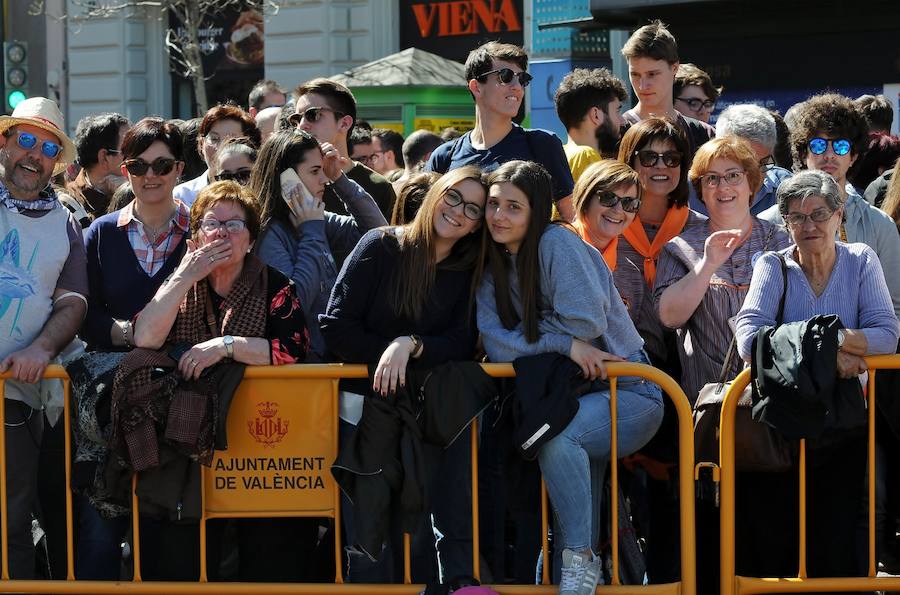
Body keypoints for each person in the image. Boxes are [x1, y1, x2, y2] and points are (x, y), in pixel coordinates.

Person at [476, 160, 663, 595]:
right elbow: (496, 342)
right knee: (567, 524)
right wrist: (564, 346)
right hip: (572, 395)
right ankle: (577, 565)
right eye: (493, 204)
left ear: (537, 211)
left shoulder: (556, 242)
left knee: (558, 438)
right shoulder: (493, 262)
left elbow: (583, 320)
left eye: (513, 207)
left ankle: (582, 559)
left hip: (629, 388)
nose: (499, 216)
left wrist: (563, 341)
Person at [130, 180, 309, 581]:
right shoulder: (182, 280)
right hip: (187, 444)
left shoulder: (276, 285)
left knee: (265, 557)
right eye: (211, 223)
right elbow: (145, 339)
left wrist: (226, 346)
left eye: (233, 226)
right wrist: (183, 277)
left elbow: (291, 350)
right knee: (187, 559)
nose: (221, 234)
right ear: (195, 236)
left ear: (250, 239)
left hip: (260, 453)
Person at [320, 165, 487, 583]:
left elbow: (464, 342)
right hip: (363, 412)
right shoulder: (380, 246)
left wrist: (409, 344)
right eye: (453, 197)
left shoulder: (468, 270)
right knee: (367, 535)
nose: (459, 212)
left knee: (420, 535)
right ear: (435, 194)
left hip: (428, 419)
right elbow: (336, 326)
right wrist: (387, 353)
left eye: (473, 209)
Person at [735, 169, 899, 581]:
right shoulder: (773, 265)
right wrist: (829, 356)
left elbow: (886, 336)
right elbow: (749, 336)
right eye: (796, 217)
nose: (809, 225)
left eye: (818, 213)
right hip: (781, 423)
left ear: (838, 215)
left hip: (843, 420)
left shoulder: (861, 258)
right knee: (779, 535)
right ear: (785, 222)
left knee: (837, 533)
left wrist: (833, 338)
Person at [77, 117, 190, 579]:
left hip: (179, 400)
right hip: (106, 406)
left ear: (179, 169)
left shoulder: (203, 230)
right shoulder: (101, 233)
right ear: (125, 171)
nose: (150, 175)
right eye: (138, 165)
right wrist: (133, 334)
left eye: (162, 164)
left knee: (170, 538)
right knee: (101, 536)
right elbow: (85, 314)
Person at [0, 97, 88, 579]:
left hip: (14, 395)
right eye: (26, 140)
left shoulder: (66, 224)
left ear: (56, 161)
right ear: (5, 143)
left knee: (11, 521)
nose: (34, 155)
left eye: (48, 147)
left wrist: (40, 349)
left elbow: (72, 301)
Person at [655, 135, 790, 405]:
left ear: (751, 183)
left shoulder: (783, 241)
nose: (723, 186)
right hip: (710, 405)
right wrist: (707, 265)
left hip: (776, 398)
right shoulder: (679, 247)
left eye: (733, 176)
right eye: (712, 179)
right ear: (702, 192)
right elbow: (668, 317)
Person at [759, 93, 900, 318]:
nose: (829, 155)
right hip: (789, 349)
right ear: (803, 153)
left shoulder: (879, 226)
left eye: (842, 147)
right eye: (818, 145)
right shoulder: (767, 224)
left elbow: (894, 312)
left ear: (853, 156)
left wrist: (852, 346)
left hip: (860, 350)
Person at [252, 128, 387, 361]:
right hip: (302, 370)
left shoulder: (316, 218)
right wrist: (311, 233)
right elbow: (295, 304)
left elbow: (379, 234)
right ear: (286, 179)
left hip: (331, 360)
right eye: (315, 171)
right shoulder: (269, 234)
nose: (323, 179)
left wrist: (340, 179)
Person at [426, 41, 576, 220]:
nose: (517, 87)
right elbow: (426, 222)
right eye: (505, 77)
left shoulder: (542, 144)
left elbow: (573, 218)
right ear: (476, 87)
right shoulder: (444, 157)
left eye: (522, 79)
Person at [614, 117, 701, 373]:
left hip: (689, 369)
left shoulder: (700, 231)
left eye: (672, 158)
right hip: (623, 369)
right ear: (630, 161)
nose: (661, 166)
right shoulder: (609, 226)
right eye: (649, 157)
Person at [291, 78, 396, 219]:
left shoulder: (378, 187)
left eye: (313, 115)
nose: (302, 125)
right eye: (297, 119)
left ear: (345, 123)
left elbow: (387, 239)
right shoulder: (291, 179)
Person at [620, 20, 714, 160]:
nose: (642, 86)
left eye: (652, 74)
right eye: (635, 75)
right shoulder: (616, 133)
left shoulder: (703, 134)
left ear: (674, 68)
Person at [704, 104, 793, 216]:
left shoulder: (787, 188)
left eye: (764, 163)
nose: (755, 176)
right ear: (718, 150)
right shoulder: (689, 193)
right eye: (746, 165)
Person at [173, 104, 260, 206]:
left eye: (231, 140)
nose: (221, 147)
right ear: (201, 144)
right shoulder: (182, 197)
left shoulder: (261, 194)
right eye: (214, 139)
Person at [554, 68, 628, 180]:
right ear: (596, 115)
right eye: (617, 111)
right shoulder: (586, 155)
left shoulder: (559, 155)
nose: (622, 121)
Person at [571, 159, 642, 270]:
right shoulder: (559, 245)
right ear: (586, 198)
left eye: (629, 202)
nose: (618, 210)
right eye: (608, 197)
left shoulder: (630, 272)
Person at [67, 113, 131, 219]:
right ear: (104, 157)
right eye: (129, 150)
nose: (137, 156)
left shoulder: (137, 192)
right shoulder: (69, 207)